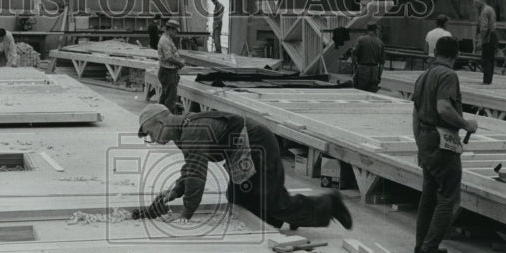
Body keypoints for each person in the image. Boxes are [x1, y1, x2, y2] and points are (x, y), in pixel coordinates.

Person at [136, 103, 352, 232]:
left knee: (273, 201)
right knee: (239, 198)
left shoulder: (193, 131)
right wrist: (175, 191)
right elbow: (192, 166)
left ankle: (330, 204)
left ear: (161, 123)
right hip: (241, 151)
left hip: (258, 145)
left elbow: (196, 176)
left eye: (151, 133)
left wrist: (187, 211)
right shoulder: (183, 132)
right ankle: (289, 216)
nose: (153, 139)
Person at [411, 36, 478, 253]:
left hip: (425, 137)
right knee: (447, 197)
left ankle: (422, 245)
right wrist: (466, 124)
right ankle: (429, 249)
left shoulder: (424, 76)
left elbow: (415, 113)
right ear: (456, 55)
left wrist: (419, 143)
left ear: (435, 51)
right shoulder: (448, 75)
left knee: (428, 195)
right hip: (441, 140)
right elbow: (444, 108)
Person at [156, 19, 186, 113]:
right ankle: (168, 119)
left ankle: (160, 115)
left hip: (168, 71)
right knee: (170, 99)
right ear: (171, 30)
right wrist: (180, 63)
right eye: (176, 31)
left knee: (165, 96)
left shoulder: (168, 39)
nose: (176, 34)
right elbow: (169, 58)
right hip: (168, 72)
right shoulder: (165, 41)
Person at [351, 23, 385, 92]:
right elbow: (382, 63)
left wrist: (355, 66)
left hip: (363, 70)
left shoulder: (361, 40)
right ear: (376, 30)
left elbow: (353, 53)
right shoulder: (380, 43)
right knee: (372, 95)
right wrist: (379, 76)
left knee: (359, 93)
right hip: (374, 71)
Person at [473, 0, 498, 85]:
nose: (475, 4)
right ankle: (489, 79)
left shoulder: (484, 11)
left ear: (482, 0)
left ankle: (486, 80)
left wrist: (480, 41)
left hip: (488, 36)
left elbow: (484, 28)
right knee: (490, 59)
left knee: (485, 59)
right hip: (493, 35)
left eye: (476, 2)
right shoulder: (490, 9)